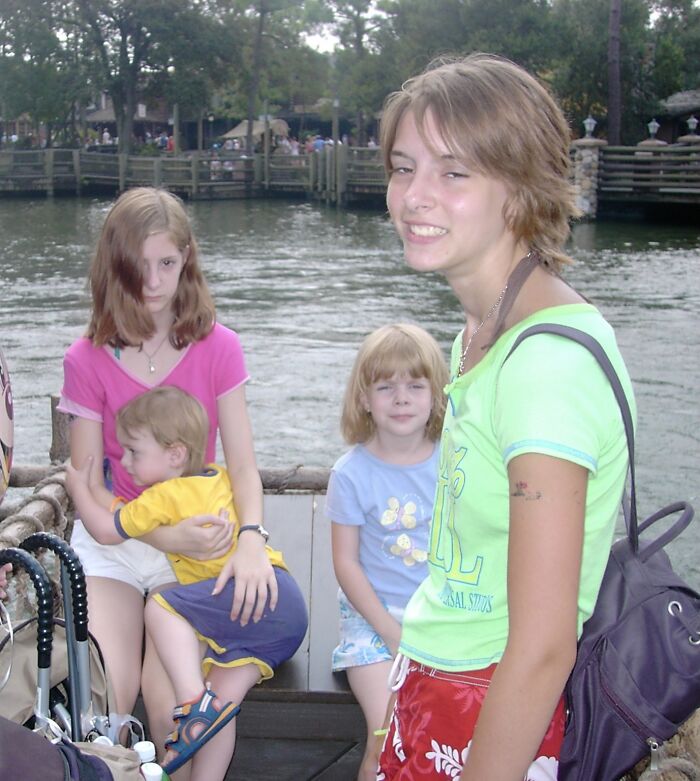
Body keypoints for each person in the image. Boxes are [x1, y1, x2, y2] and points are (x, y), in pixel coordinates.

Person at [376, 53, 635, 781]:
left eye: (454, 173)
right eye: (403, 167)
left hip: (492, 708)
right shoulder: (480, 337)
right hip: (436, 680)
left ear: (521, 188)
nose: (414, 197)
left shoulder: (545, 367)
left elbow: (545, 643)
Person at [59, 186, 278, 781]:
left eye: (168, 263)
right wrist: (159, 538)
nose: (154, 283)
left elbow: (244, 466)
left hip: (197, 546)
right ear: (114, 266)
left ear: (187, 260)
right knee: (107, 691)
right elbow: (84, 477)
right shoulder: (86, 356)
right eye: (138, 266)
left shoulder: (219, 347)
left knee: (168, 705)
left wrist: (253, 538)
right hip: (119, 543)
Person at [67, 386, 307, 775]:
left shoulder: (162, 497)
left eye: (134, 451)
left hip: (247, 598)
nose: (124, 461)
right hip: (281, 605)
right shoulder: (220, 477)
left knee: (161, 610)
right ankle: (202, 720)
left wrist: (81, 486)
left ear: (174, 454)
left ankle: (191, 699)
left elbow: (107, 529)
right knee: (219, 709)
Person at [326, 323, 448, 781]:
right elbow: (346, 563)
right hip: (373, 622)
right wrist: (391, 631)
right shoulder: (352, 474)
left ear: (436, 395)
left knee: (450, 733)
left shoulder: (452, 460)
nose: (401, 398)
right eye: (386, 387)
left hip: (441, 615)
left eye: (416, 385)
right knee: (388, 737)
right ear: (364, 398)